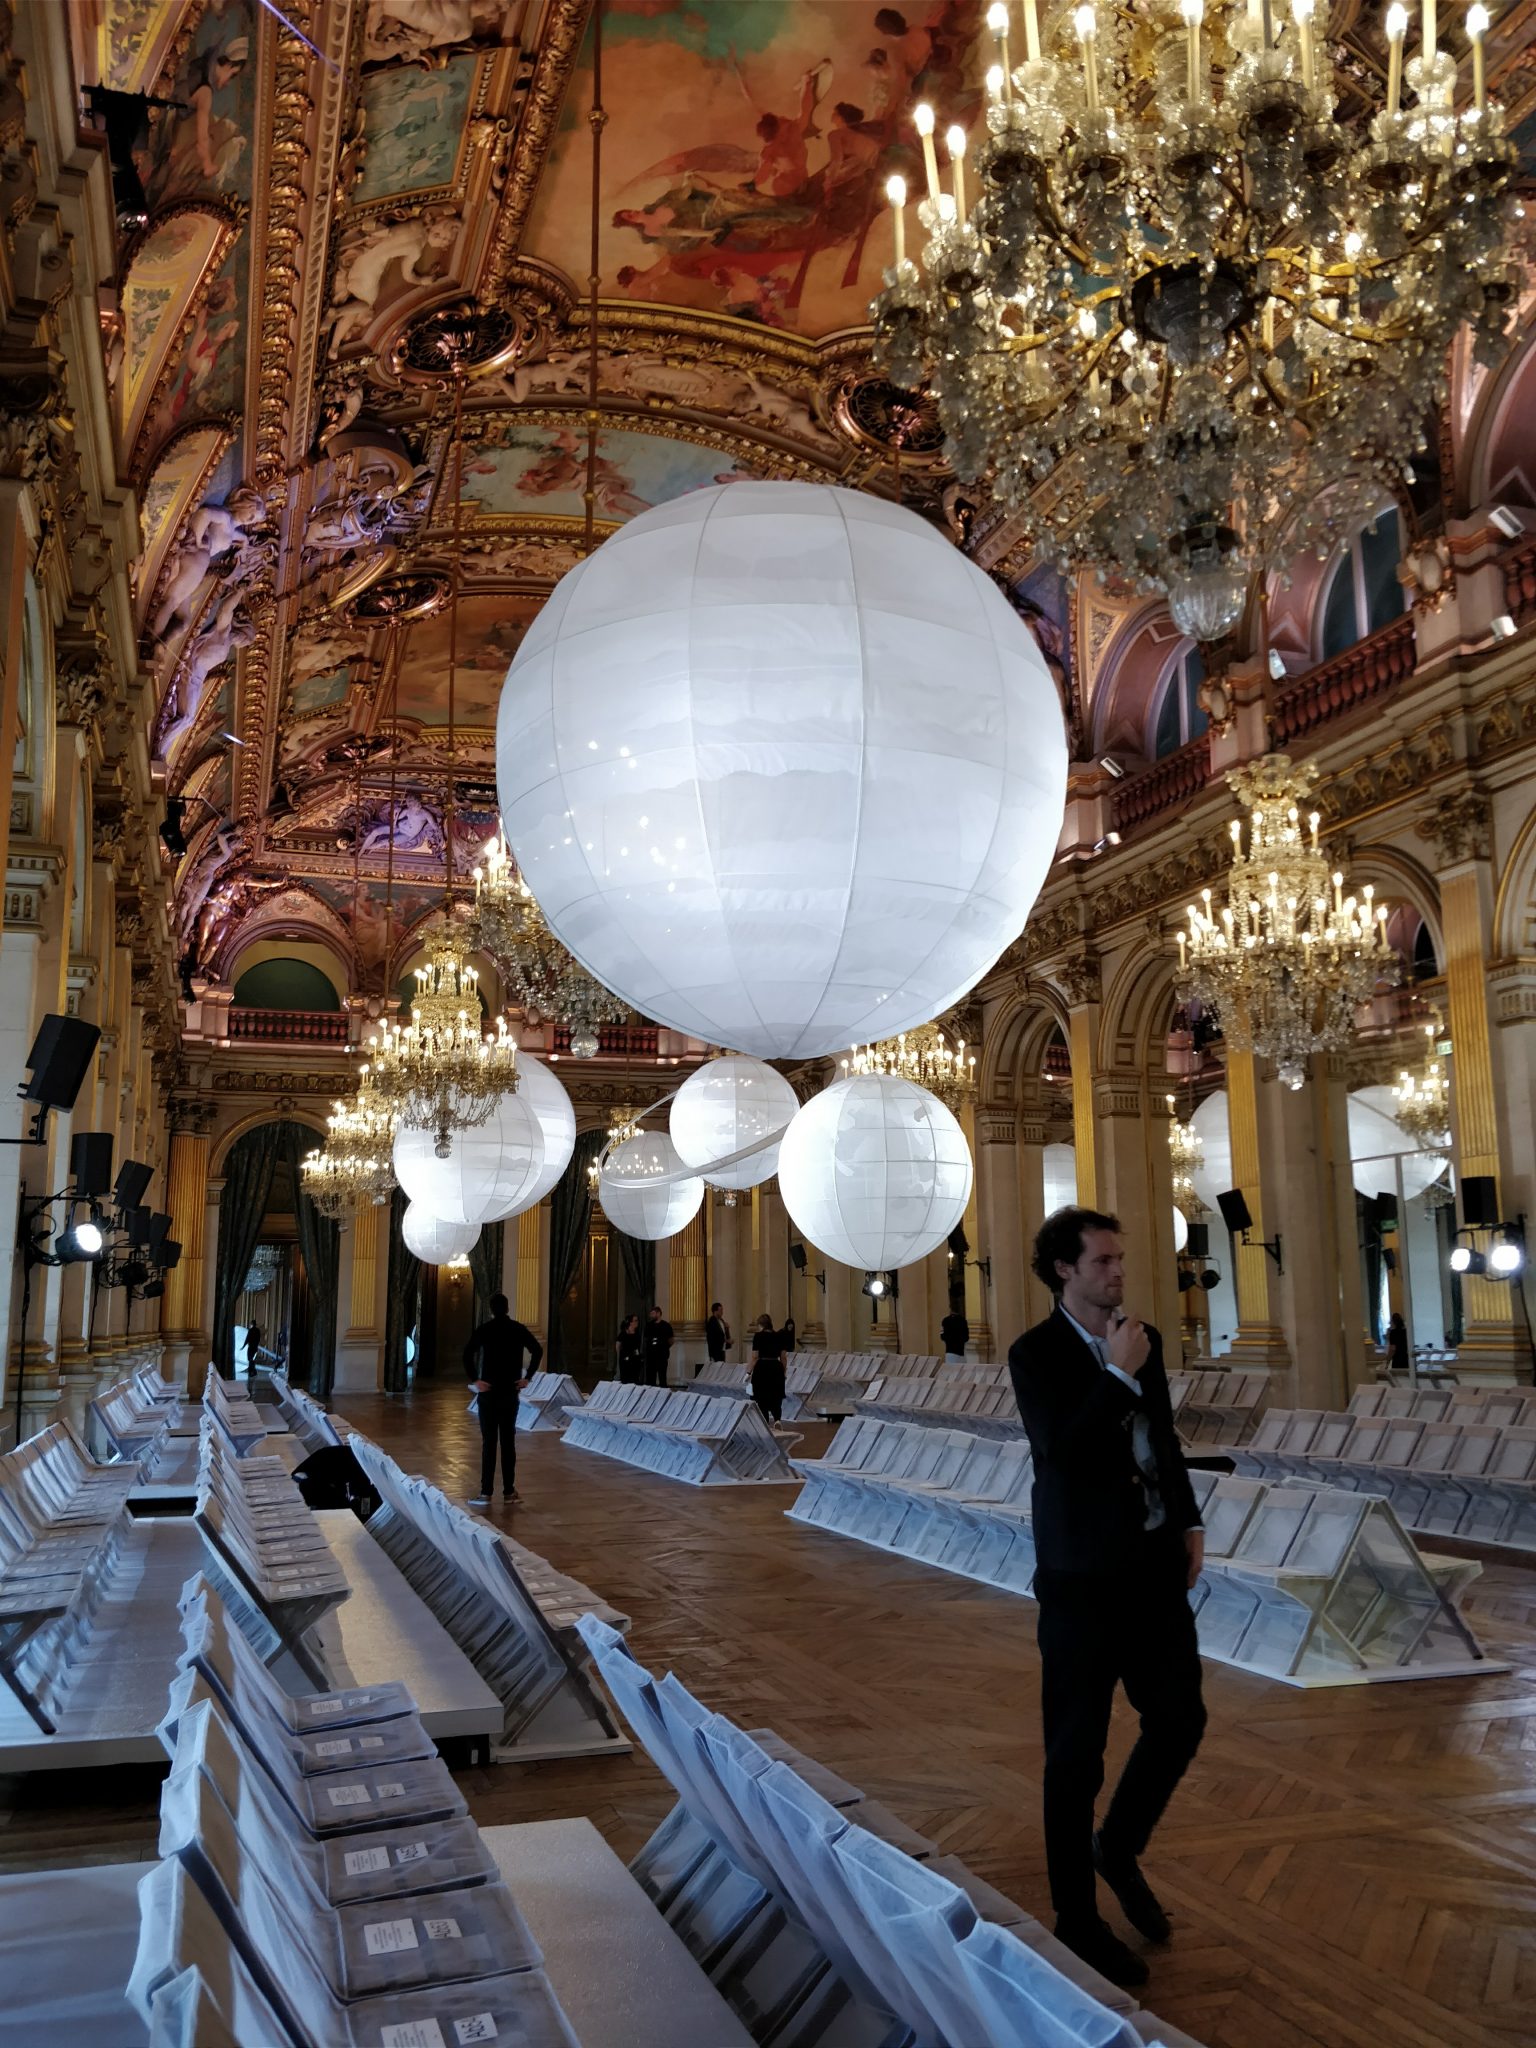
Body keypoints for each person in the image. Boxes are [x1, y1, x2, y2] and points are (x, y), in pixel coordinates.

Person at [1008, 1207, 1206, 1991]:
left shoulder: (1140, 1340)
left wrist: (1188, 1519)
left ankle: (1116, 1846)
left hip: (1154, 1570)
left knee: (1181, 1718)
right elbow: (1063, 1453)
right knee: (1075, 1756)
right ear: (1064, 1269)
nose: (1119, 1270)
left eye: (1120, 1259)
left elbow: (1164, 1438)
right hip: (1082, 1582)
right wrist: (1116, 1375)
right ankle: (1077, 1919)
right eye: (1103, 1261)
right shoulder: (1036, 1354)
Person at [463, 1292, 543, 1509]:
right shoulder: (518, 1329)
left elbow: (467, 1353)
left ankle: (485, 1492)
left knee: (489, 1443)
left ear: (491, 1309)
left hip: (488, 1392)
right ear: (507, 1308)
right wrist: (527, 1377)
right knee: (508, 1443)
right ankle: (509, 1492)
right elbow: (537, 1350)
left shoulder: (485, 1329)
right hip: (509, 1392)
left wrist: (476, 1379)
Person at [750, 1313, 786, 1424]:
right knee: (776, 1396)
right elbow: (783, 1357)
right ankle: (777, 1420)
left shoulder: (758, 1336)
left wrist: (748, 1372)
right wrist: (784, 1372)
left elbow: (755, 1357)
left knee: (762, 1397)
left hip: (762, 1368)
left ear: (760, 1325)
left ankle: (765, 1422)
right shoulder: (780, 1336)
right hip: (776, 1367)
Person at [643, 1304, 674, 1387]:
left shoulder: (666, 1326)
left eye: (653, 1313)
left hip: (662, 1356)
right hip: (651, 1356)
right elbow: (646, 1339)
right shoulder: (649, 1325)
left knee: (662, 1377)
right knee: (650, 1379)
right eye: (651, 1314)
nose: (651, 1315)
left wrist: (664, 1347)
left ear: (659, 1313)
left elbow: (671, 1340)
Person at [615, 1313, 644, 1383]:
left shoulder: (637, 1334)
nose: (637, 1322)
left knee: (635, 1380)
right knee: (626, 1380)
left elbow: (637, 1348)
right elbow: (617, 1346)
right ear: (630, 1322)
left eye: (637, 1320)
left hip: (635, 1360)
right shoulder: (623, 1333)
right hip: (625, 1360)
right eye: (635, 1320)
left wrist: (638, 1357)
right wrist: (622, 1357)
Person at [705, 1301, 731, 1369]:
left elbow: (723, 1334)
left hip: (722, 1349)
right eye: (720, 1310)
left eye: (722, 1310)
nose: (722, 1312)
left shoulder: (721, 1320)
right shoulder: (712, 1322)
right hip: (715, 1350)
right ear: (715, 1311)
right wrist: (726, 1341)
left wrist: (727, 1328)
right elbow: (713, 1337)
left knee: (722, 1368)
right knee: (716, 1369)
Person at [1384, 1311, 1410, 1376]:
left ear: (1393, 1322)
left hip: (1397, 1359)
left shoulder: (1393, 1333)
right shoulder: (1406, 1331)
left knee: (1398, 1378)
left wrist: (1387, 1362)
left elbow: (1392, 1349)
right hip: (1406, 1358)